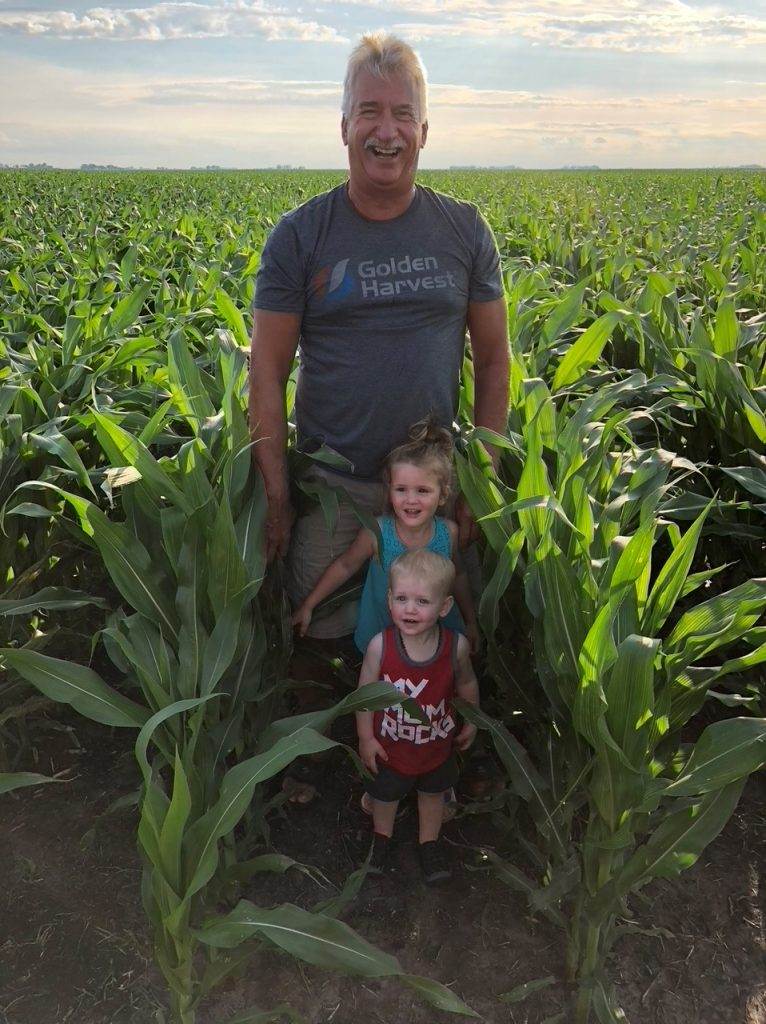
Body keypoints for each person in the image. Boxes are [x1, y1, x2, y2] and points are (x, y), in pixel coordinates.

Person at [249, 31, 509, 647]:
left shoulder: (464, 229)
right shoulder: (299, 236)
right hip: (334, 492)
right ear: (343, 125)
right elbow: (266, 371)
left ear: (424, 131)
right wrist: (278, 494)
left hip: (432, 488)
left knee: (442, 642)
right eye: (369, 111)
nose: (385, 131)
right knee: (318, 635)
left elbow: (495, 359)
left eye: (402, 114)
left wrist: (482, 475)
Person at [291, 418, 479, 653]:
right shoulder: (377, 532)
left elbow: (458, 576)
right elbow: (346, 565)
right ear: (389, 491)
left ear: (443, 495)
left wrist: (470, 621)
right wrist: (309, 605)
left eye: (423, 491)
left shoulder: (447, 533)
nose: (411, 500)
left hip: (434, 638)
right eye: (401, 490)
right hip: (383, 638)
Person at [355, 548, 479, 883]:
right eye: (402, 598)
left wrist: (472, 719)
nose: (410, 608)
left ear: (444, 607)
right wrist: (366, 738)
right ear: (390, 599)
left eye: (422, 602)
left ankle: (430, 844)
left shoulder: (456, 647)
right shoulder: (381, 647)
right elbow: (364, 697)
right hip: (390, 746)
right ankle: (381, 840)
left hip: (436, 745)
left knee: (433, 794)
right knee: (385, 795)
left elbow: (467, 682)